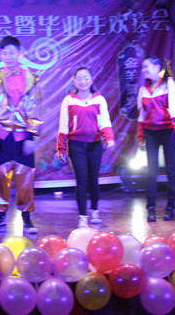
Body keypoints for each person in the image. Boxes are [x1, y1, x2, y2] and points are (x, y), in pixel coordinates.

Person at [0, 36, 42, 236]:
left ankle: (27, 218)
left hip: (23, 136)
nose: (8, 56)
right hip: (1, 134)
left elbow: (35, 107)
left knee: (26, 177)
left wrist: (31, 136)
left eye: (11, 52)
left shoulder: (32, 78)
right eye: (4, 53)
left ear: (20, 54)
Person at [56, 67, 115, 228]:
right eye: (79, 78)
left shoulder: (99, 100)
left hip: (95, 144)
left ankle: (95, 211)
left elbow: (104, 121)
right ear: (74, 81)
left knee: (93, 179)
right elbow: (63, 125)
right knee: (82, 180)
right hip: (76, 145)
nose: (83, 81)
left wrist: (109, 139)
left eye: (86, 78)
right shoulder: (69, 100)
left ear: (91, 79)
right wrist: (61, 148)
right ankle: (82, 217)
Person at [137, 56, 175, 223]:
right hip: (151, 132)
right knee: (152, 171)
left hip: (168, 131)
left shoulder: (169, 84)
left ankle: (170, 208)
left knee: (171, 169)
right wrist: (141, 136)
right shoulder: (143, 90)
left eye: (147, 67)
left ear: (157, 67)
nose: (144, 70)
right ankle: (151, 208)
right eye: (143, 67)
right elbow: (141, 116)